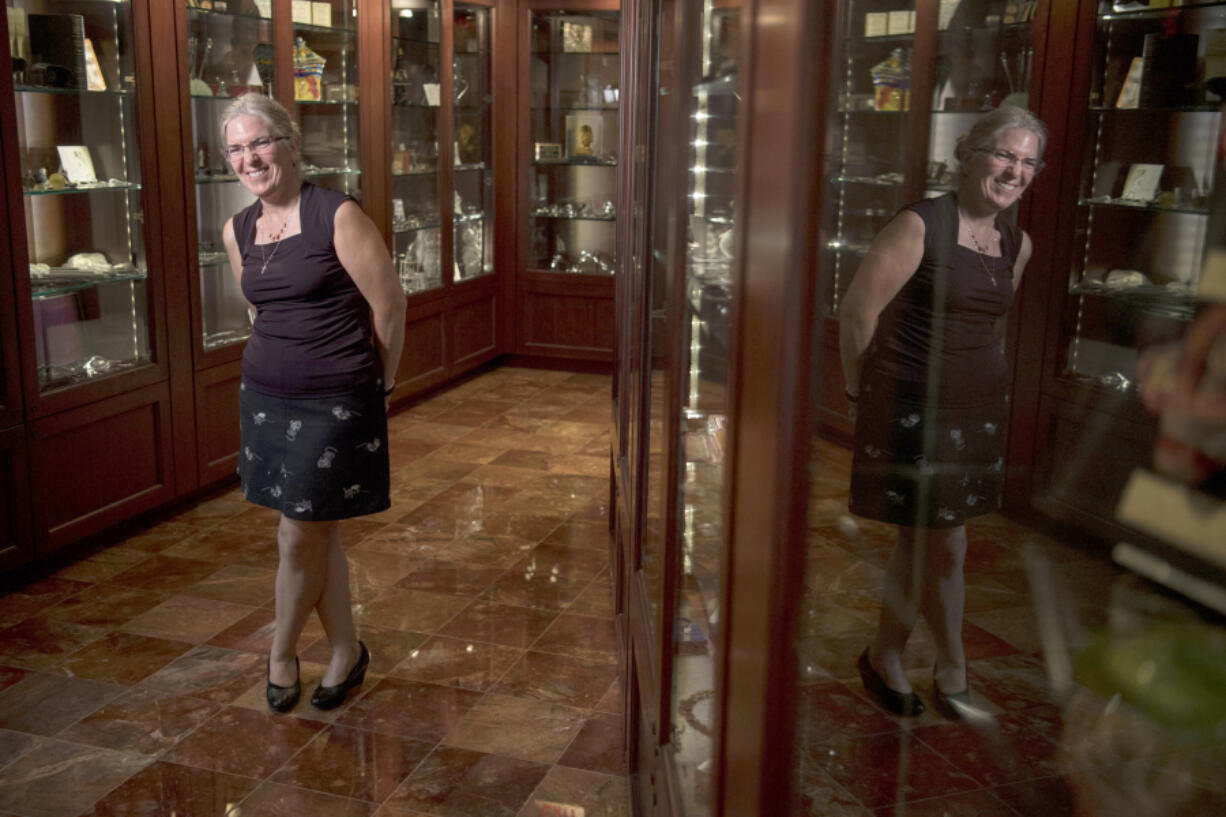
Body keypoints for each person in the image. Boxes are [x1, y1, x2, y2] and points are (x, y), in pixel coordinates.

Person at [838, 105, 1047, 719]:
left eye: (1028, 161)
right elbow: (857, 313)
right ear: (969, 153)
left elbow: (988, 326)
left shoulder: (1018, 241)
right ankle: (953, 664)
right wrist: (858, 394)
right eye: (1005, 155)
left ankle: (886, 655)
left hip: (976, 410)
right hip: (912, 407)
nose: (1015, 171)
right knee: (945, 544)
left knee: (921, 542)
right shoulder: (920, 224)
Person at [219, 93, 407, 713]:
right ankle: (346, 651)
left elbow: (390, 305)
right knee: (318, 533)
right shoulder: (237, 228)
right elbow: (258, 307)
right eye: (236, 149)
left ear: (291, 144)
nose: (250, 158)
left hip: (335, 400)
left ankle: (279, 652)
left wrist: (381, 383)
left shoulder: (337, 214)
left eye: (260, 142)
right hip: (266, 399)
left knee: (298, 534)